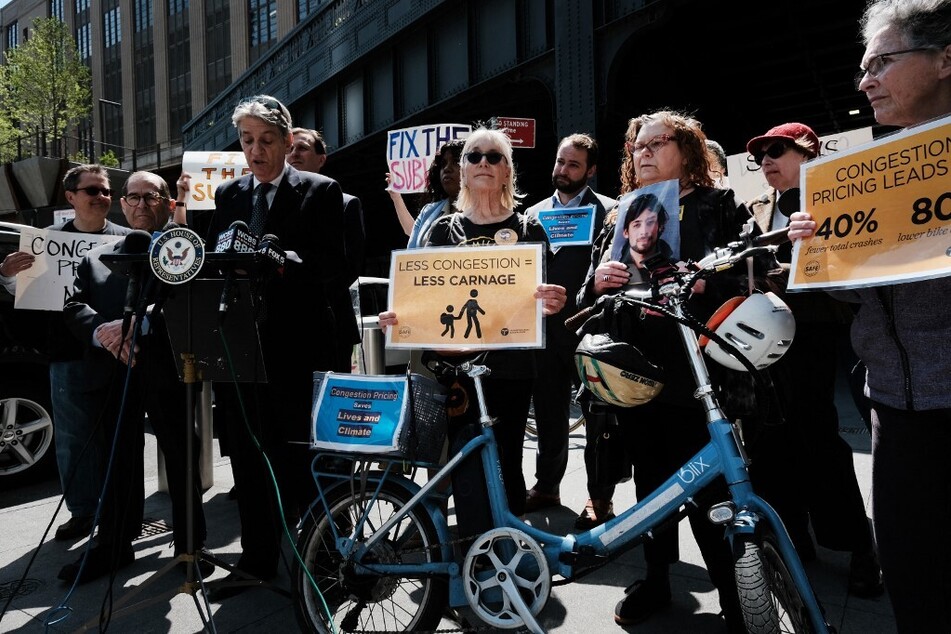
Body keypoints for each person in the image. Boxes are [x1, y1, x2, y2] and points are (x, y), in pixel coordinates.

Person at [788, 2, 951, 629]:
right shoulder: (866, 175)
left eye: (881, 63)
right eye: (863, 67)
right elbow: (866, 296)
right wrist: (823, 252)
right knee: (915, 587)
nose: (865, 81)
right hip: (894, 412)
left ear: (942, 60)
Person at [577, 110, 748, 630]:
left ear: (688, 149)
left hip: (698, 375)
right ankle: (655, 580)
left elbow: (754, 272)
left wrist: (705, 282)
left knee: (711, 492)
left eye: (658, 143)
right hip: (634, 373)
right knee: (650, 488)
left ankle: (736, 597)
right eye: (637, 147)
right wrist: (598, 283)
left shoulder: (718, 205)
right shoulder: (617, 216)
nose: (644, 153)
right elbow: (588, 297)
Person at [200, 95, 350, 598]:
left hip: (301, 347)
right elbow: (217, 263)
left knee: (305, 459)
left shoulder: (322, 191)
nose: (256, 151)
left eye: (266, 141)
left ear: (288, 142)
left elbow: (336, 267)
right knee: (247, 457)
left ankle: (326, 559)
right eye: (247, 141)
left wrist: (281, 261)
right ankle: (258, 558)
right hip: (242, 348)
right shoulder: (228, 196)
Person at [379, 127, 567, 522]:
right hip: (456, 368)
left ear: (506, 173)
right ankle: (472, 549)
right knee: (464, 460)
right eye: (474, 156)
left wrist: (551, 302)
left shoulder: (530, 229)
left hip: (512, 368)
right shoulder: (443, 230)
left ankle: (510, 549)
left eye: (494, 157)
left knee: (507, 459)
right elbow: (422, 298)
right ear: (462, 170)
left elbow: (542, 296)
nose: (484, 162)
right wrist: (400, 318)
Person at [743, 122, 883, 597]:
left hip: (812, 332)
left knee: (817, 437)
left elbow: (848, 267)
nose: (766, 160)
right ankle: (791, 539)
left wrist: (783, 271)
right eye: (760, 154)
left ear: (808, 153)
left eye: (777, 151)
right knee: (769, 440)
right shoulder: (755, 208)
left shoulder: (833, 196)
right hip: (762, 337)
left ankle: (858, 548)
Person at [57, 171, 209, 584]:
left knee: (180, 455)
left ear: (168, 204)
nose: (142, 204)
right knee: (117, 460)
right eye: (134, 197)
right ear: (122, 204)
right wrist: (100, 331)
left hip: (169, 373)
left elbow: (189, 304)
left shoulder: (186, 251)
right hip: (113, 373)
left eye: (152, 197)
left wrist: (136, 326)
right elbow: (73, 305)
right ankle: (114, 544)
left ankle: (191, 546)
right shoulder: (96, 256)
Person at [0, 165, 131, 543]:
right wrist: (8, 274)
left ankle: (120, 509)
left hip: (119, 353)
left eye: (106, 191)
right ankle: (84, 511)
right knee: (74, 439)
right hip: (68, 354)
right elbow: (21, 294)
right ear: (70, 196)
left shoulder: (127, 239)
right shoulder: (44, 241)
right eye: (91, 190)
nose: (101, 197)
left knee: (120, 437)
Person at [522, 133, 615, 515]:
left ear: (591, 170)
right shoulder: (532, 214)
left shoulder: (610, 210)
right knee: (547, 414)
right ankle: (547, 488)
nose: (563, 170)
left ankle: (600, 497)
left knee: (598, 417)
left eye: (573, 164)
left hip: (588, 330)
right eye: (560, 162)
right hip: (545, 332)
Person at [287, 126, 363, 370]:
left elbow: (349, 266)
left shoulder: (345, 204)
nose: (294, 154)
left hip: (329, 326)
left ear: (321, 159)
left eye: (302, 148)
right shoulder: (271, 202)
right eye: (289, 148)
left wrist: (303, 297)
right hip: (281, 328)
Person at [387, 139, 464, 248]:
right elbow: (412, 247)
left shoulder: (489, 210)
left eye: (456, 161)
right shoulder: (428, 212)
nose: (447, 168)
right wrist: (396, 197)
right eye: (443, 164)